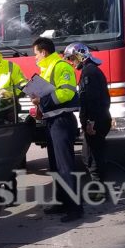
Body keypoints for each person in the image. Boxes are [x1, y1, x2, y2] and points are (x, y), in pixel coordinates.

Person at [29, 36, 83, 222]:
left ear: (43, 52)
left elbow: (67, 92)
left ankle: (75, 208)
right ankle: (62, 201)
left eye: (35, 54)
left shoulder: (61, 66)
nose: (34, 57)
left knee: (65, 166)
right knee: (56, 166)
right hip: (52, 122)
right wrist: (39, 107)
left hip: (62, 122)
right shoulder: (47, 69)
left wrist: (42, 101)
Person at [63, 42, 111, 200]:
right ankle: (99, 187)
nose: (71, 62)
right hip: (100, 119)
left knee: (90, 156)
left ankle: (99, 190)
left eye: (72, 58)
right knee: (94, 153)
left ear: (79, 56)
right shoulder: (91, 70)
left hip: (95, 120)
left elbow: (91, 100)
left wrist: (90, 122)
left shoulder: (88, 73)